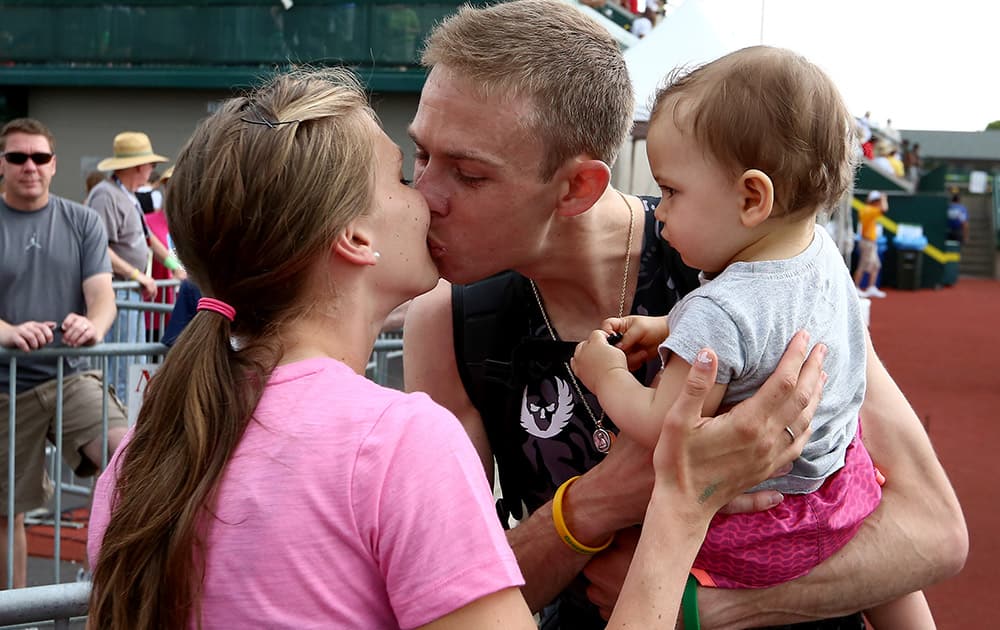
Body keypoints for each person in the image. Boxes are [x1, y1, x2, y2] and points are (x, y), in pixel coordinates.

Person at [85, 68, 811, 629]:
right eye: (403, 174)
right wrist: (685, 502)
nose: (428, 194)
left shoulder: (145, 455)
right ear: (355, 240)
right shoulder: (398, 443)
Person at [402, 1, 966, 628]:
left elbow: (931, 530)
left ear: (576, 187)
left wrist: (709, 609)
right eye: (421, 155)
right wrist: (591, 506)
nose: (424, 196)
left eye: (469, 174)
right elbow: (458, 597)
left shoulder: (744, 255)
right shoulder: (448, 323)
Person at [570, 46, 932, 628]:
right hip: (844, 490)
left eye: (672, 191)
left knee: (617, 560)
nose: (659, 211)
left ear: (751, 198)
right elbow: (768, 323)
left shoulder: (720, 309)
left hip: (761, 527)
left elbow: (666, 426)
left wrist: (604, 374)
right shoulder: (818, 252)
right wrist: (669, 327)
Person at [0, 118, 128, 588]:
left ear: (54, 165)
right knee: (5, 512)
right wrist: (9, 332)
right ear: (2, 164)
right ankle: (13, 615)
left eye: (38, 157)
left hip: (70, 376)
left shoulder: (82, 221)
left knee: (130, 457)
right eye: (17, 157)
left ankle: (111, 590)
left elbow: (102, 298)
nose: (28, 166)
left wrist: (91, 326)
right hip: (5, 387)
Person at [84, 131, 186, 397]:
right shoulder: (106, 195)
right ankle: (114, 420)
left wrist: (173, 264)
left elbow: (148, 237)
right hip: (116, 291)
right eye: (151, 165)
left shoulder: (126, 195)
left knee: (128, 361)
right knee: (118, 364)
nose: (153, 170)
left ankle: (121, 415)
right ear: (139, 166)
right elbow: (98, 247)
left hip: (130, 290)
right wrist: (135, 274)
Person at [855, 190, 888, 299]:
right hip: (867, 243)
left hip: (869, 243)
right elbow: (884, 209)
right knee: (863, 266)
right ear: (875, 201)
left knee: (875, 266)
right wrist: (884, 198)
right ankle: (855, 288)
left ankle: (871, 287)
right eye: (878, 201)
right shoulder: (870, 210)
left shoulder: (866, 209)